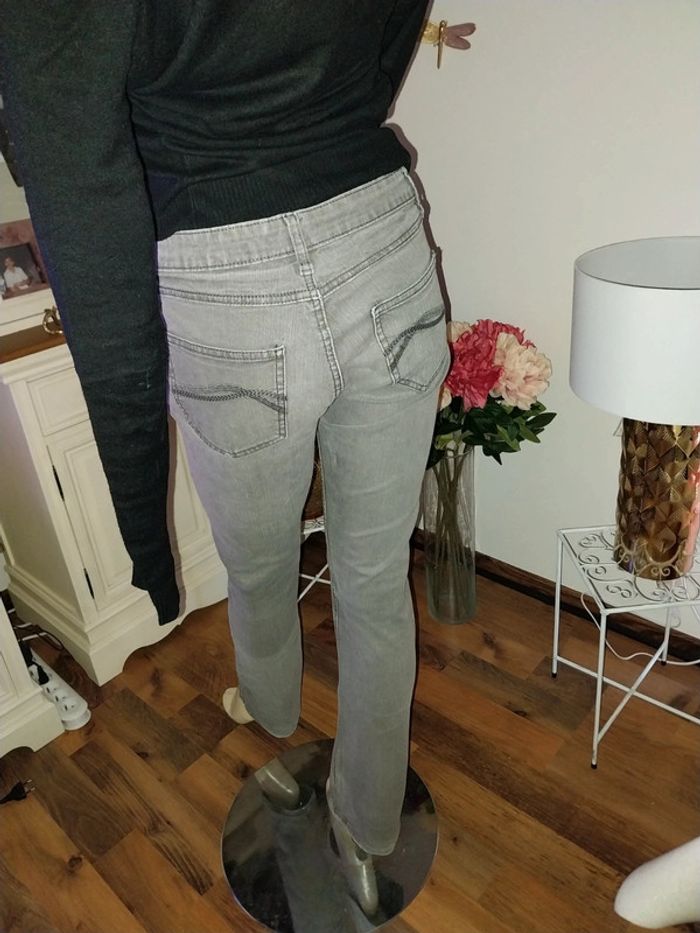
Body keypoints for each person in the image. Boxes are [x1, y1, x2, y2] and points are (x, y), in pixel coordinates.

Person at [0, 0, 475, 906]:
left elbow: (78, 176)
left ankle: (271, 705)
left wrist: (145, 532)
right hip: (379, 225)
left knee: (258, 562)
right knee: (373, 575)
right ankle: (365, 822)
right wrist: (333, 114)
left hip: (225, 260)